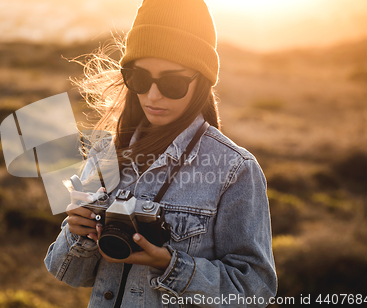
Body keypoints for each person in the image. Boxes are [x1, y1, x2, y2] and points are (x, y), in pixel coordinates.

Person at [44, 0, 277, 307]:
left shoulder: (235, 170)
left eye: (173, 83)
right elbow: (70, 274)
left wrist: (170, 265)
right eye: (139, 79)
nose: (152, 96)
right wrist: (79, 234)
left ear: (202, 82)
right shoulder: (106, 154)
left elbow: (255, 289)